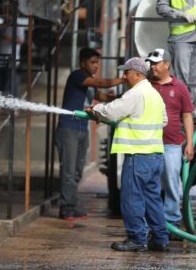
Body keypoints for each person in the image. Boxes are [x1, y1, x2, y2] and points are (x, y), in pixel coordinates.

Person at [87, 57, 169, 252]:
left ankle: (137, 238)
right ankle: (160, 238)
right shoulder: (155, 95)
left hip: (138, 155)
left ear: (138, 74)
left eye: (127, 72)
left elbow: (113, 111)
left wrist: (95, 109)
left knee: (131, 198)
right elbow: (164, 120)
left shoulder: (135, 94)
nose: (124, 76)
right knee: (153, 199)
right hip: (155, 156)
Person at [56, 48, 124, 220]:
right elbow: (101, 84)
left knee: (78, 171)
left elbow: (101, 95)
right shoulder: (77, 76)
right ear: (82, 63)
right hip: (69, 129)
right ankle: (66, 208)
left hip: (82, 130)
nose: (96, 66)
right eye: (92, 62)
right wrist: (122, 79)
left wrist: (120, 98)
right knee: (69, 171)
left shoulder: (90, 83)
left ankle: (70, 204)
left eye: (97, 63)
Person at [146, 48, 194, 241]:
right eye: (151, 63)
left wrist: (190, 143)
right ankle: (156, 225)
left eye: (156, 63)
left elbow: (187, 115)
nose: (153, 67)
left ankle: (173, 222)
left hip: (172, 145)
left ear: (167, 64)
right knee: (152, 187)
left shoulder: (179, 87)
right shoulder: (147, 86)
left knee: (172, 185)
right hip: (149, 144)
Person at [0, 14, 25, 96]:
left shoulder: (17, 26)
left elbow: (21, 41)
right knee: (2, 84)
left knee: (13, 84)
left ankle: (15, 105)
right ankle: (1, 105)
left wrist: (8, 38)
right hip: (0, 58)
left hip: (11, 59)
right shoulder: (3, 25)